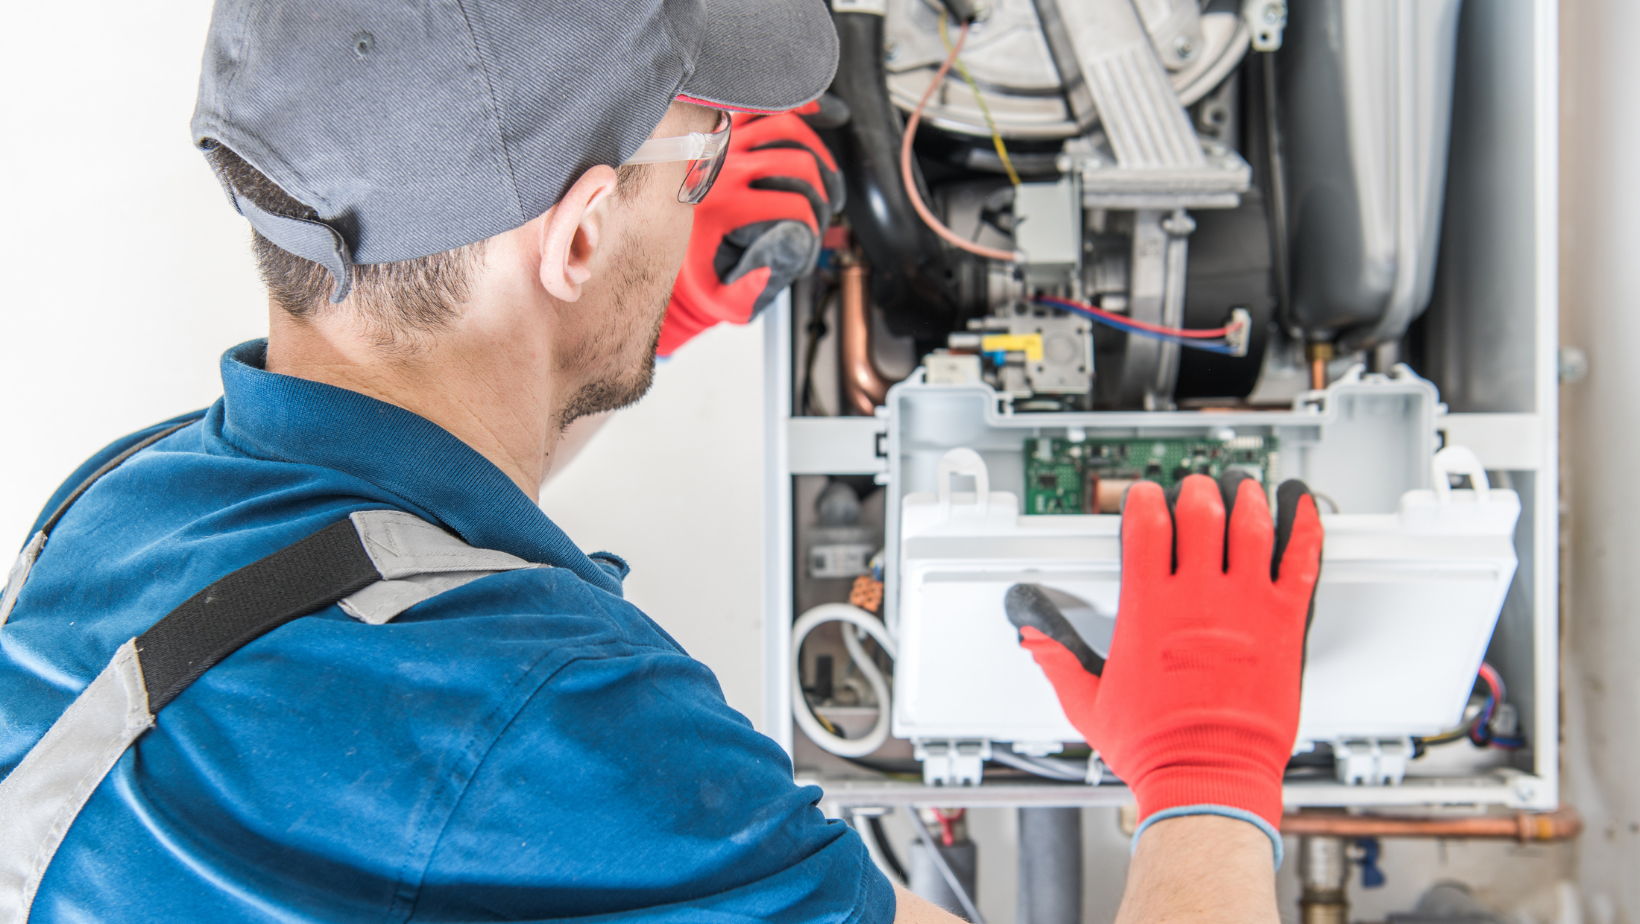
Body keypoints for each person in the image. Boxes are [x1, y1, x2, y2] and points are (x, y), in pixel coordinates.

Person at [0, 2, 1322, 923]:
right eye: (695, 154)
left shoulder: (124, 504)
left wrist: (638, 319)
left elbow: (392, 554)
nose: (707, 183)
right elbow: (478, 714)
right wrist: (1207, 769)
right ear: (574, 239)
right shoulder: (561, 726)